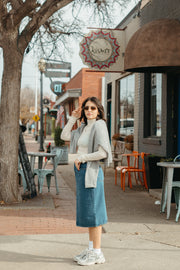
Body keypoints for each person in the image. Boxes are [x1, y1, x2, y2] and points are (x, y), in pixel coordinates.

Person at [61, 96, 112, 266]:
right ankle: (91, 249)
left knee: (95, 212)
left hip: (92, 172)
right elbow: (64, 135)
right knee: (88, 213)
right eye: (86, 108)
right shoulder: (83, 127)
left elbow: (103, 152)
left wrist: (82, 157)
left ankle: (97, 252)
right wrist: (73, 118)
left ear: (99, 111)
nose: (89, 111)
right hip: (82, 171)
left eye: (93, 108)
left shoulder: (100, 125)